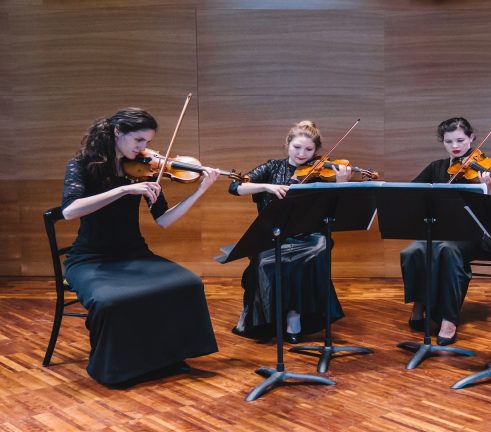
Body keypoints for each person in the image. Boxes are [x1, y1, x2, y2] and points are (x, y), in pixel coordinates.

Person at [62, 108, 220, 386]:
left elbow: (164, 220)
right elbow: (70, 211)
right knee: (110, 301)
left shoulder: (145, 170)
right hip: (90, 258)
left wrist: (200, 191)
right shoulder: (82, 165)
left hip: (134, 253)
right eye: (138, 141)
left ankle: (167, 357)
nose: (144, 149)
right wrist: (123, 189)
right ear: (117, 133)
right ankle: (116, 367)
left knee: (189, 284)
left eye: (147, 142)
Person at [228, 120, 352, 344]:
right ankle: (269, 319)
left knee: (318, 248)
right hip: (271, 234)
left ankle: (295, 314)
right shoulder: (271, 167)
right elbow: (235, 187)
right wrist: (266, 186)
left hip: (308, 235)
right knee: (267, 262)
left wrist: (341, 183)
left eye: (309, 149)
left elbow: (334, 211)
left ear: (316, 151)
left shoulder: (319, 172)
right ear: (287, 144)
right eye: (297, 147)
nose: (302, 154)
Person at [400, 117, 491, 346]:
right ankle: (420, 303)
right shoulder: (437, 167)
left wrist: (489, 191)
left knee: (448, 250)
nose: (455, 146)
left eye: (460, 140)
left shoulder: (483, 169)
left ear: (472, 138)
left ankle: (448, 319)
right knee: (412, 250)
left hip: (476, 234)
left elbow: (490, 214)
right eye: (448, 141)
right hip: (441, 232)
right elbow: (409, 192)